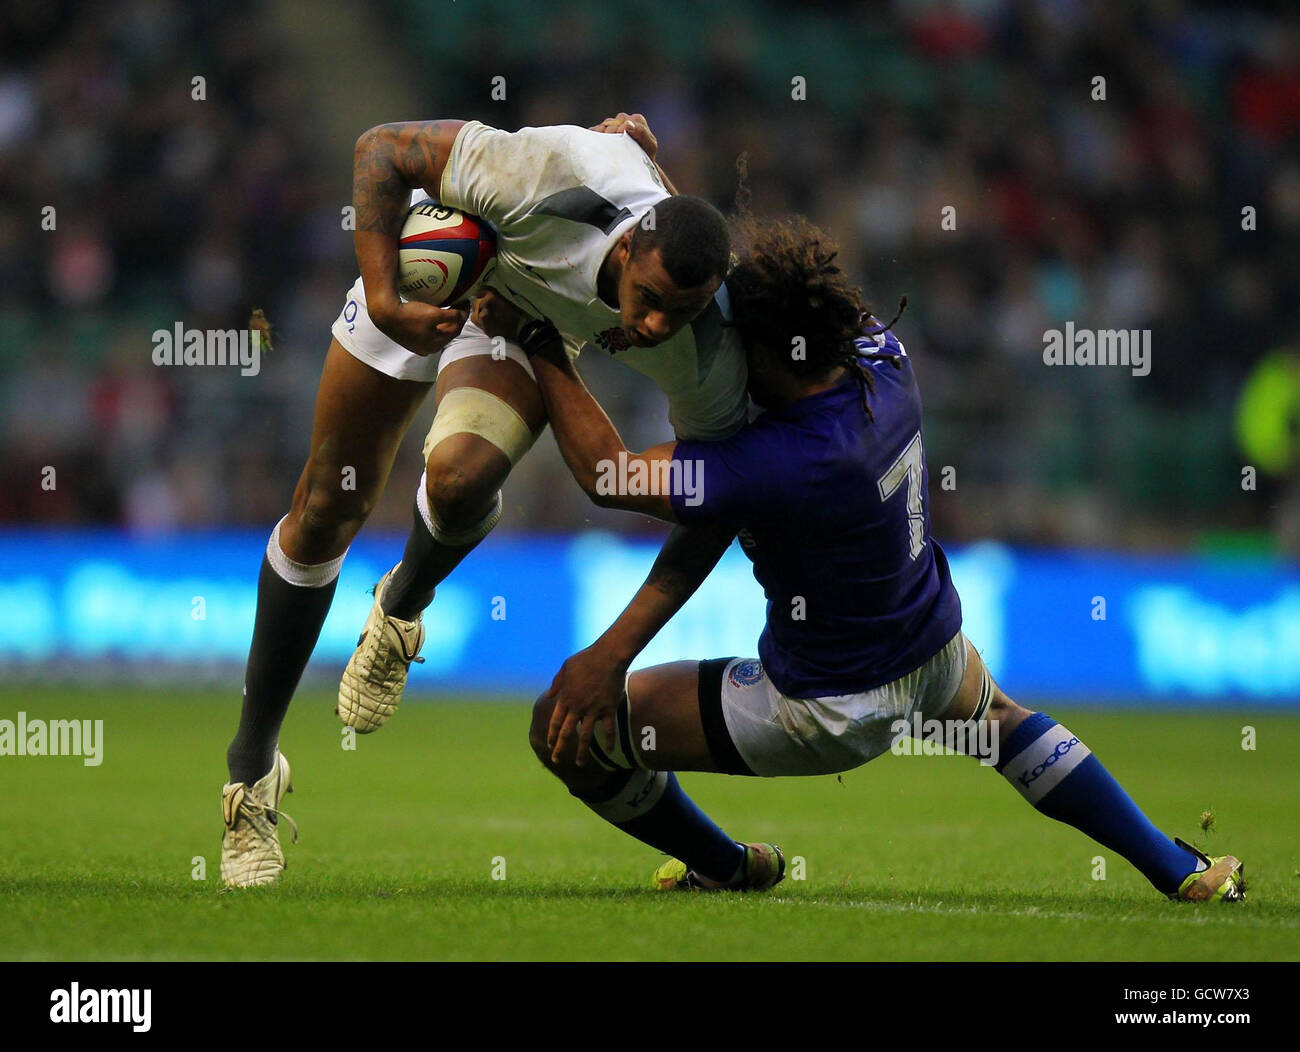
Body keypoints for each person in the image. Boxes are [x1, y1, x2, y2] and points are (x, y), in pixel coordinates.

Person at [472, 214, 1245, 902]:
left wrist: (539, 340)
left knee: (562, 729)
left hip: (825, 708)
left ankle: (729, 865)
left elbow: (610, 474)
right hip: (932, 645)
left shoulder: (784, 459)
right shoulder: (882, 351)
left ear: (764, 351)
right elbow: (760, 286)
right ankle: (1179, 869)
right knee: (1004, 722)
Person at [220, 113, 747, 887]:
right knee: (326, 511)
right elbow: (379, 150)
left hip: (526, 324)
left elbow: (705, 491)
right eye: (649, 298)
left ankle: (400, 604)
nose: (657, 324)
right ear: (629, 246)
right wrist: (382, 295)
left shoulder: (704, 342)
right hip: (445, 268)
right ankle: (251, 777)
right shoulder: (543, 174)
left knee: (461, 480)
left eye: (683, 311)